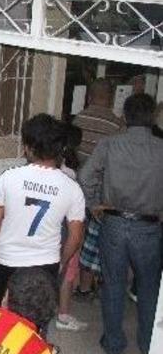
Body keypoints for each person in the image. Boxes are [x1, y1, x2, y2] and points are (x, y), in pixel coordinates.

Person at [79, 93, 163, 354]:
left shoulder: (109, 144)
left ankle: (114, 344)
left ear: (125, 116)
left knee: (113, 284)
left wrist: (94, 204)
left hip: (113, 222)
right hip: (149, 227)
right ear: (153, 118)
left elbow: (85, 175)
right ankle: (149, 345)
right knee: (149, 288)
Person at [0, 114, 85, 337]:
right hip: (46, 264)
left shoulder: (8, 177)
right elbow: (75, 236)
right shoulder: (71, 188)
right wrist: (61, 261)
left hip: (7, 261)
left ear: (29, 147)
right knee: (36, 324)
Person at [72, 79, 125, 299]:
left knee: (76, 238)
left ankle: (77, 283)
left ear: (90, 96)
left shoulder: (79, 119)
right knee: (97, 240)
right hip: (101, 193)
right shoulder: (117, 126)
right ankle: (95, 283)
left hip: (76, 187)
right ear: (111, 97)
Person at [55, 123, 89, 331]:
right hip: (68, 230)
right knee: (67, 273)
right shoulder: (70, 175)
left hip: (49, 231)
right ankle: (64, 315)